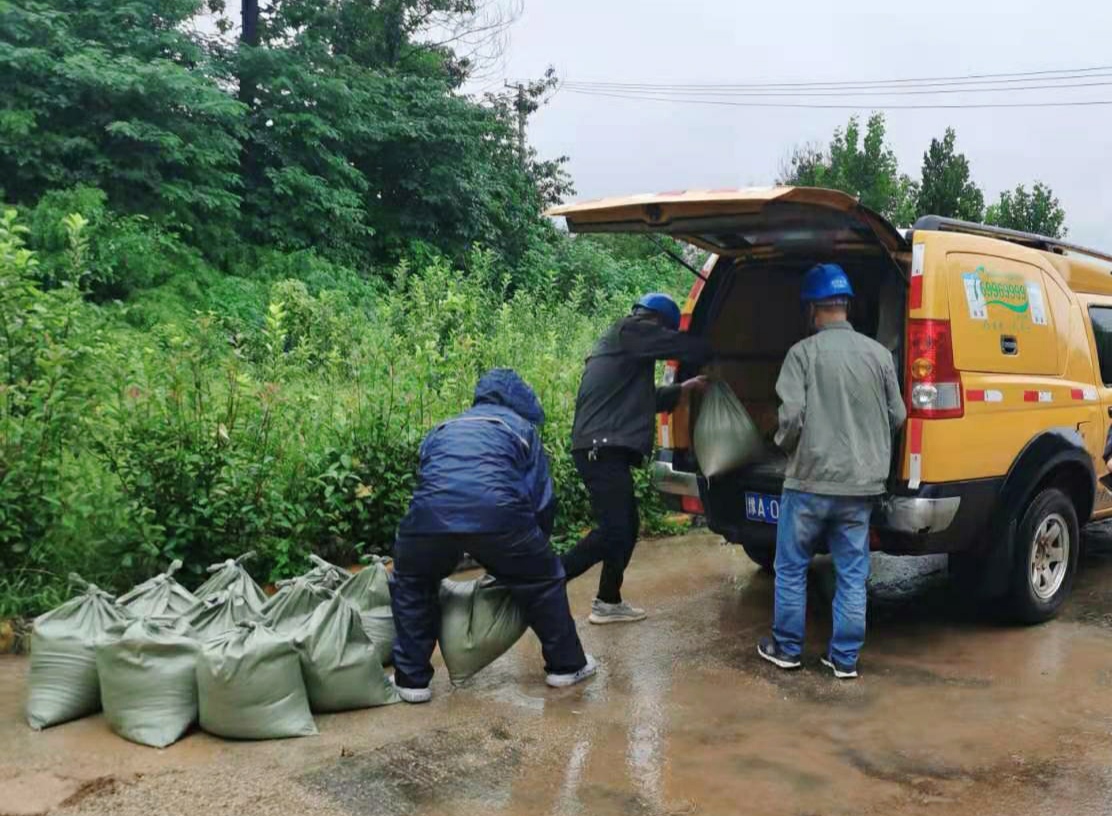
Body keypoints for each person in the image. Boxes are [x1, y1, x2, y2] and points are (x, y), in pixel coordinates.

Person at [390, 368, 595, 703]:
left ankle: (411, 681)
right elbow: (541, 499)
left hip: (428, 521)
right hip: (500, 516)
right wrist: (533, 553)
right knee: (543, 580)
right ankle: (566, 666)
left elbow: (431, 483)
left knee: (412, 581)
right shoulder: (521, 429)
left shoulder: (442, 428)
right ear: (520, 402)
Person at [757, 263, 906, 679]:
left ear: (812, 309)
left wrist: (783, 448)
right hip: (860, 487)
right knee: (852, 574)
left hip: (808, 483)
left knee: (790, 568)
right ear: (846, 306)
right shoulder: (879, 355)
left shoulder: (801, 354)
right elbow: (898, 415)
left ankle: (786, 650)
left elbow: (792, 418)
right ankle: (844, 660)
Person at [561, 293, 713, 624]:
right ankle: (549, 579)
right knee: (615, 529)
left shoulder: (624, 347)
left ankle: (608, 601)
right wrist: (718, 345)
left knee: (627, 526)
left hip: (601, 447)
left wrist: (684, 388)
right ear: (657, 321)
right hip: (600, 448)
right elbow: (685, 347)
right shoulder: (632, 330)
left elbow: (644, 399)